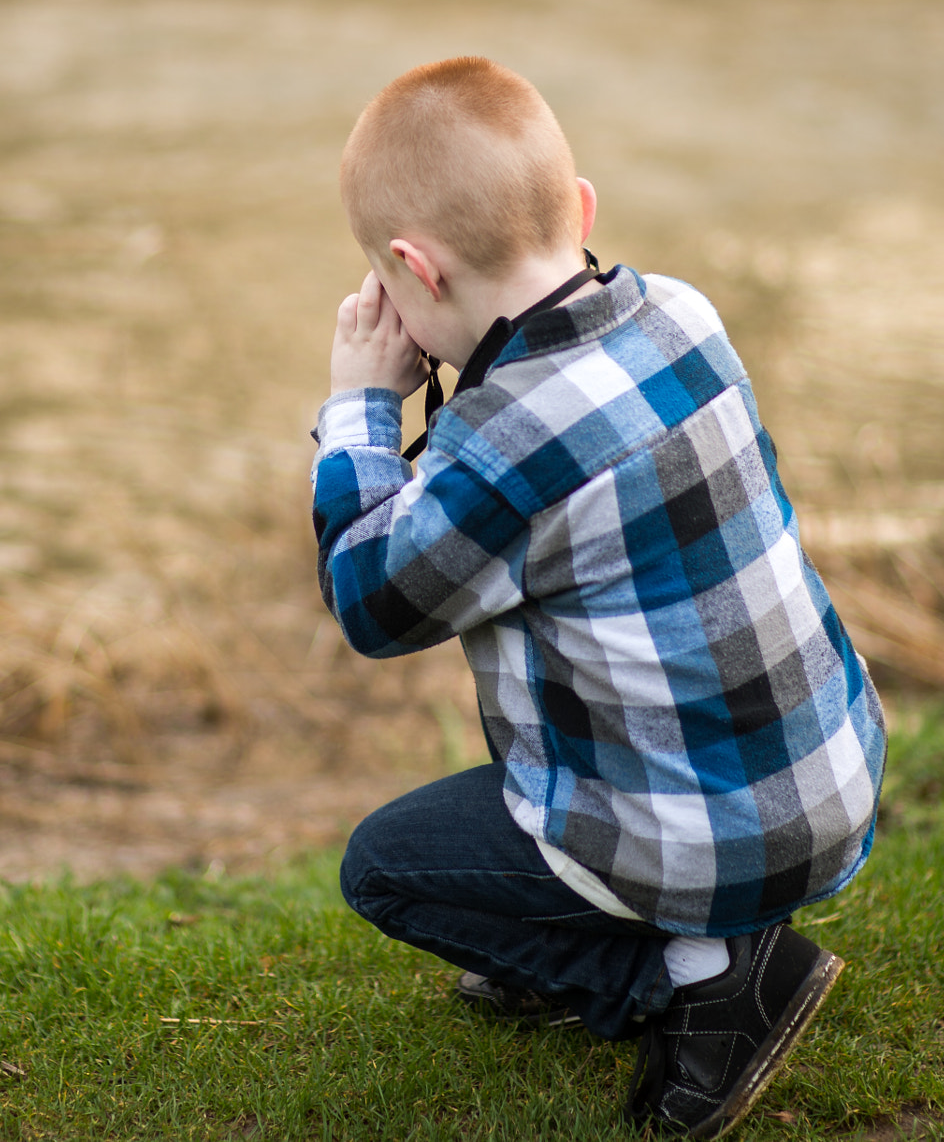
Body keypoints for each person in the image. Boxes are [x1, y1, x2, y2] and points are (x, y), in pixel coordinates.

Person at [311, 56, 886, 1138]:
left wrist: (358, 412)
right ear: (577, 209)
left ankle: (699, 983)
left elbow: (368, 603)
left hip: (719, 836)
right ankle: (686, 937)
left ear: (409, 270)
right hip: (830, 780)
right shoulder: (680, 311)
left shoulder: (501, 441)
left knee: (386, 868)